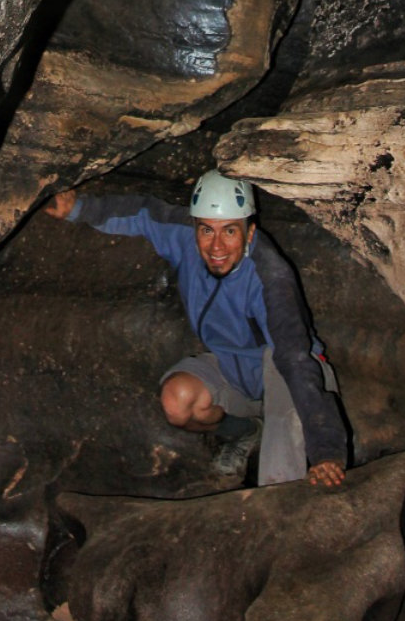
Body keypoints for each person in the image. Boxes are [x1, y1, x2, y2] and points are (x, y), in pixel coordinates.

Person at [45, 169, 348, 487]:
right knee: (177, 401)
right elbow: (145, 213)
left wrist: (326, 449)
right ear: (195, 227)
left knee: (278, 472)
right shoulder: (185, 237)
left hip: (285, 372)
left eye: (230, 231)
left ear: (249, 232)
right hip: (233, 368)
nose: (216, 246)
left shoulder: (270, 277)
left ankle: (277, 500)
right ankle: (244, 433)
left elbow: (296, 363)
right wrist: (78, 209)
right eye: (207, 230)